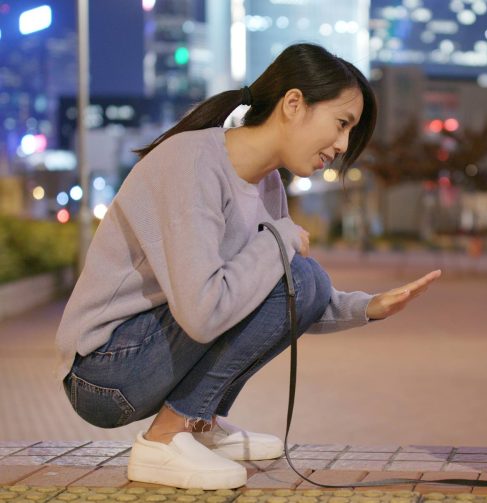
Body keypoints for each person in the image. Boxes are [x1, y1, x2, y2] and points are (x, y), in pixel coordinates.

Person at [55, 43, 441, 490]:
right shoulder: (192, 162)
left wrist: (366, 307)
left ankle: (199, 424)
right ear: (293, 104)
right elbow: (204, 313)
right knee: (298, 271)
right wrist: (279, 239)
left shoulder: (267, 184)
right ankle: (165, 439)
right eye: (341, 124)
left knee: (304, 277)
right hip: (102, 371)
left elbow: (280, 294)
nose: (341, 145)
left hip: (147, 355)